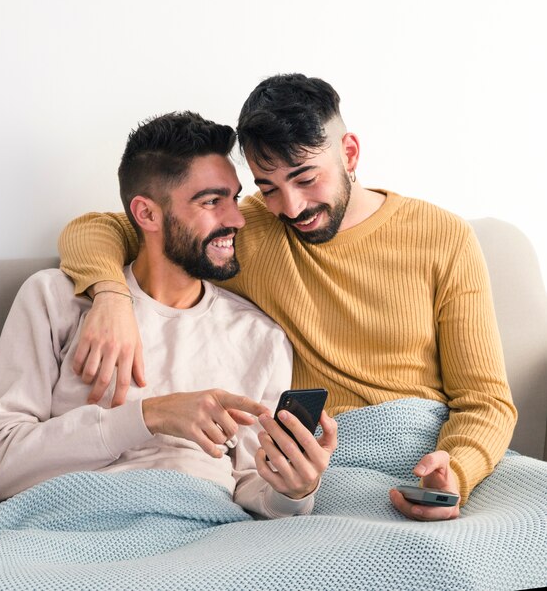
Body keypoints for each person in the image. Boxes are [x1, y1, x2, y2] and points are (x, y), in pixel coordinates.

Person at [57, 74, 517, 521]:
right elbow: (98, 228)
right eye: (268, 187)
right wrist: (111, 297)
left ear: (349, 153)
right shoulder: (246, 231)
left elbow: (485, 400)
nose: (292, 208)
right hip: (322, 467)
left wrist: (456, 470)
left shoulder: (443, 236)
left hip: (433, 455)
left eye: (305, 178)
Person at [0, 111, 337, 518]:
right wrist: (150, 416)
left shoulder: (262, 339)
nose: (237, 219)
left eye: (234, 198)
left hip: (205, 532)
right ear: (146, 214)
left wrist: (294, 491)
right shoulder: (55, 299)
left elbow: (252, 487)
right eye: (212, 202)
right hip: (73, 523)